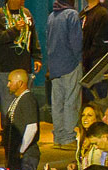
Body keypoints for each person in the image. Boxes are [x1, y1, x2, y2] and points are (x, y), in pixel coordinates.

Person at [45, 0, 84, 148]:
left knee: (57, 103)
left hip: (55, 66)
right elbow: (76, 42)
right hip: (70, 64)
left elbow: (48, 42)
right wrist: (80, 60)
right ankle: (68, 138)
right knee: (71, 101)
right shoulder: (72, 15)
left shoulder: (51, 17)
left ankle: (58, 137)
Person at [0, 0, 41, 110]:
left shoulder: (27, 13)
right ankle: (9, 126)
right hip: (6, 68)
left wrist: (37, 57)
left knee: (25, 100)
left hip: (24, 66)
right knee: (7, 102)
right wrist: (15, 30)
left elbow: (33, 36)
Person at [2, 70, 41, 170]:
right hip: (16, 155)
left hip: (26, 156)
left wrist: (21, 150)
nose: (8, 84)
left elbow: (32, 127)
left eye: (10, 81)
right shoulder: (18, 99)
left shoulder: (28, 99)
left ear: (20, 83)